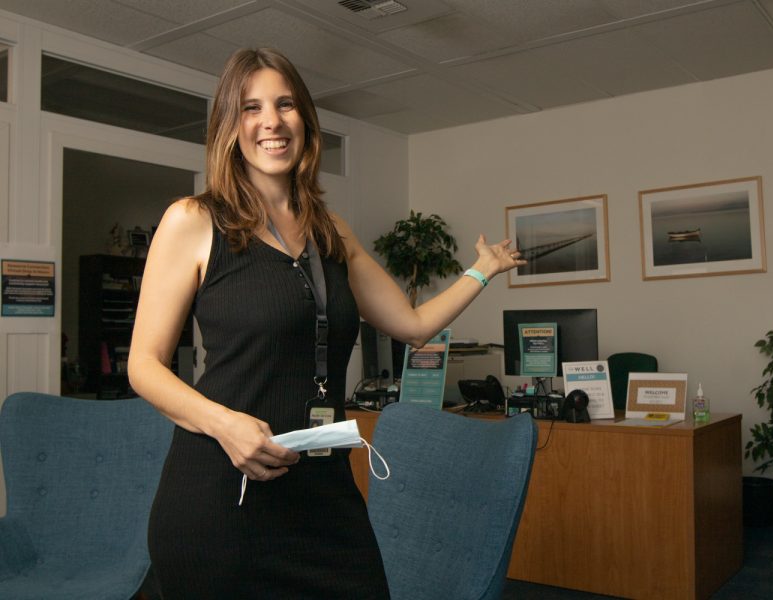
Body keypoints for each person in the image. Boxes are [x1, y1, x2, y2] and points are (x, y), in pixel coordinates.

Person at [127, 47, 524, 600]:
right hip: (223, 495)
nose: (272, 121)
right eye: (251, 107)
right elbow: (143, 367)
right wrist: (225, 424)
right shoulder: (194, 221)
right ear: (228, 126)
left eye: (286, 104)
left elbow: (411, 326)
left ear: (305, 121)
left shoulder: (330, 231)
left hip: (320, 489)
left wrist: (482, 271)